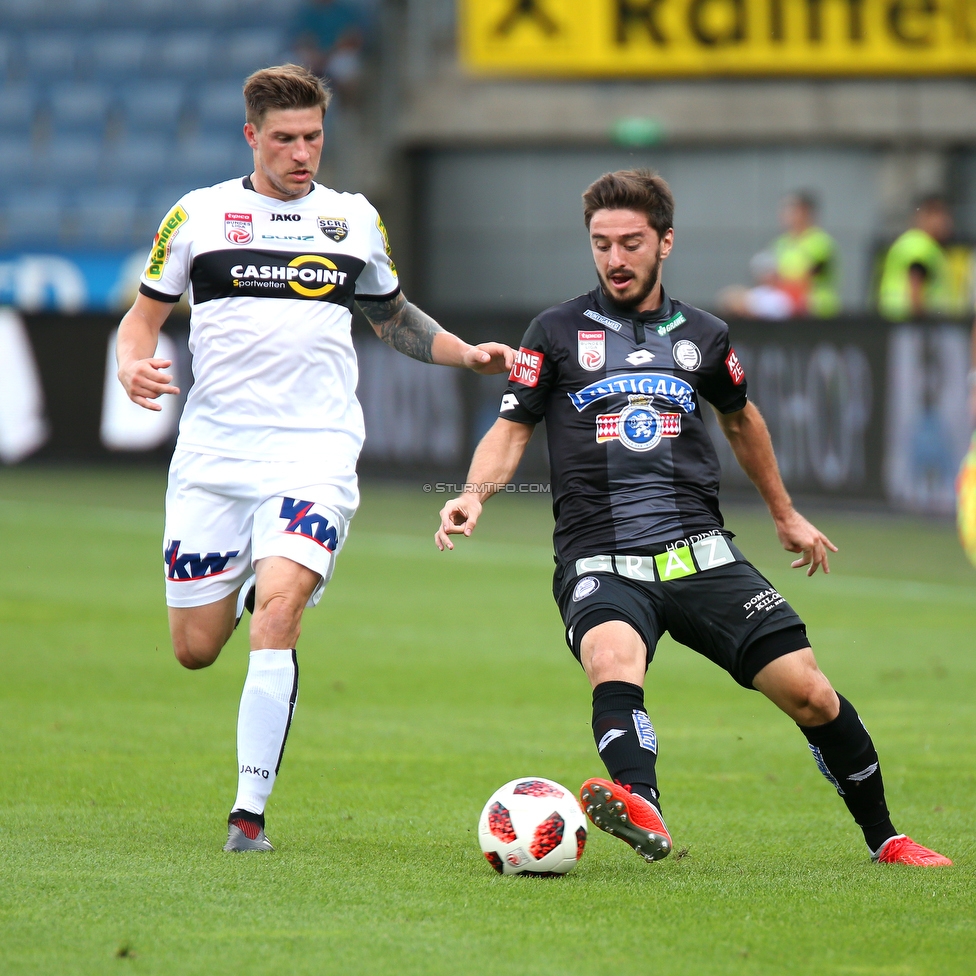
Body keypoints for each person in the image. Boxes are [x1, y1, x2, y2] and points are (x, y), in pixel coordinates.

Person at [435, 169, 951, 868]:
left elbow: (743, 423)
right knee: (611, 660)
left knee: (810, 693)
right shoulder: (554, 332)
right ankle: (640, 806)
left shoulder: (704, 336)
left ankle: (886, 838)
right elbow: (512, 427)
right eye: (601, 243)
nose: (615, 259)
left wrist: (785, 514)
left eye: (631, 243)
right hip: (600, 556)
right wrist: (473, 493)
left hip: (698, 553)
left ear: (665, 243)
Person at [115, 64, 513, 852]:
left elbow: (391, 314)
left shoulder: (352, 220)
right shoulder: (197, 216)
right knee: (194, 651)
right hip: (214, 454)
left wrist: (463, 353)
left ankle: (247, 816)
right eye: (285, 139)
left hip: (315, 451)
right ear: (251, 137)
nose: (303, 153)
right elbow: (142, 319)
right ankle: (248, 582)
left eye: (313, 137)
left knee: (282, 613)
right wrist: (133, 362)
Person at [878, 196, 953, 321]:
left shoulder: (909, 241)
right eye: (940, 215)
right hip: (910, 325)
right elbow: (915, 289)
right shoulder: (921, 246)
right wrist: (922, 324)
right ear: (925, 217)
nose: (947, 222)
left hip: (894, 322)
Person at [772, 191, 840, 318]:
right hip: (787, 306)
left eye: (791, 210)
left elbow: (810, 274)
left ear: (805, 212)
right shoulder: (780, 243)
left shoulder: (820, 242)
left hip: (816, 308)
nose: (785, 214)